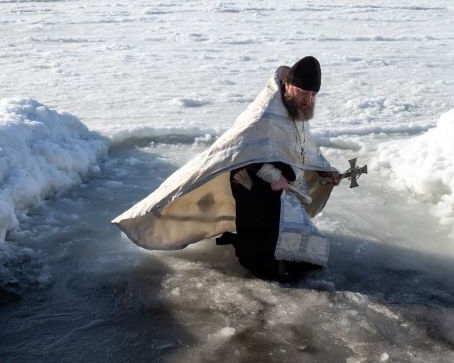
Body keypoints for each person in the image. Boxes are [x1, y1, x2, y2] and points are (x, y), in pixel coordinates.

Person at [112, 56, 340, 282]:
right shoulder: (264, 115)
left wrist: (324, 170)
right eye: (303, 92)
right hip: (252, 181)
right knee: (260, 240)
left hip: (280, 188)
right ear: (289, 85)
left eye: (312, 94)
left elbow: (303, 148)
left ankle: (258, 250)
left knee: (290, 243)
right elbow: (242, 153)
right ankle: (254, 261)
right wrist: (274, 177)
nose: (308, 99)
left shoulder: (296, 109)